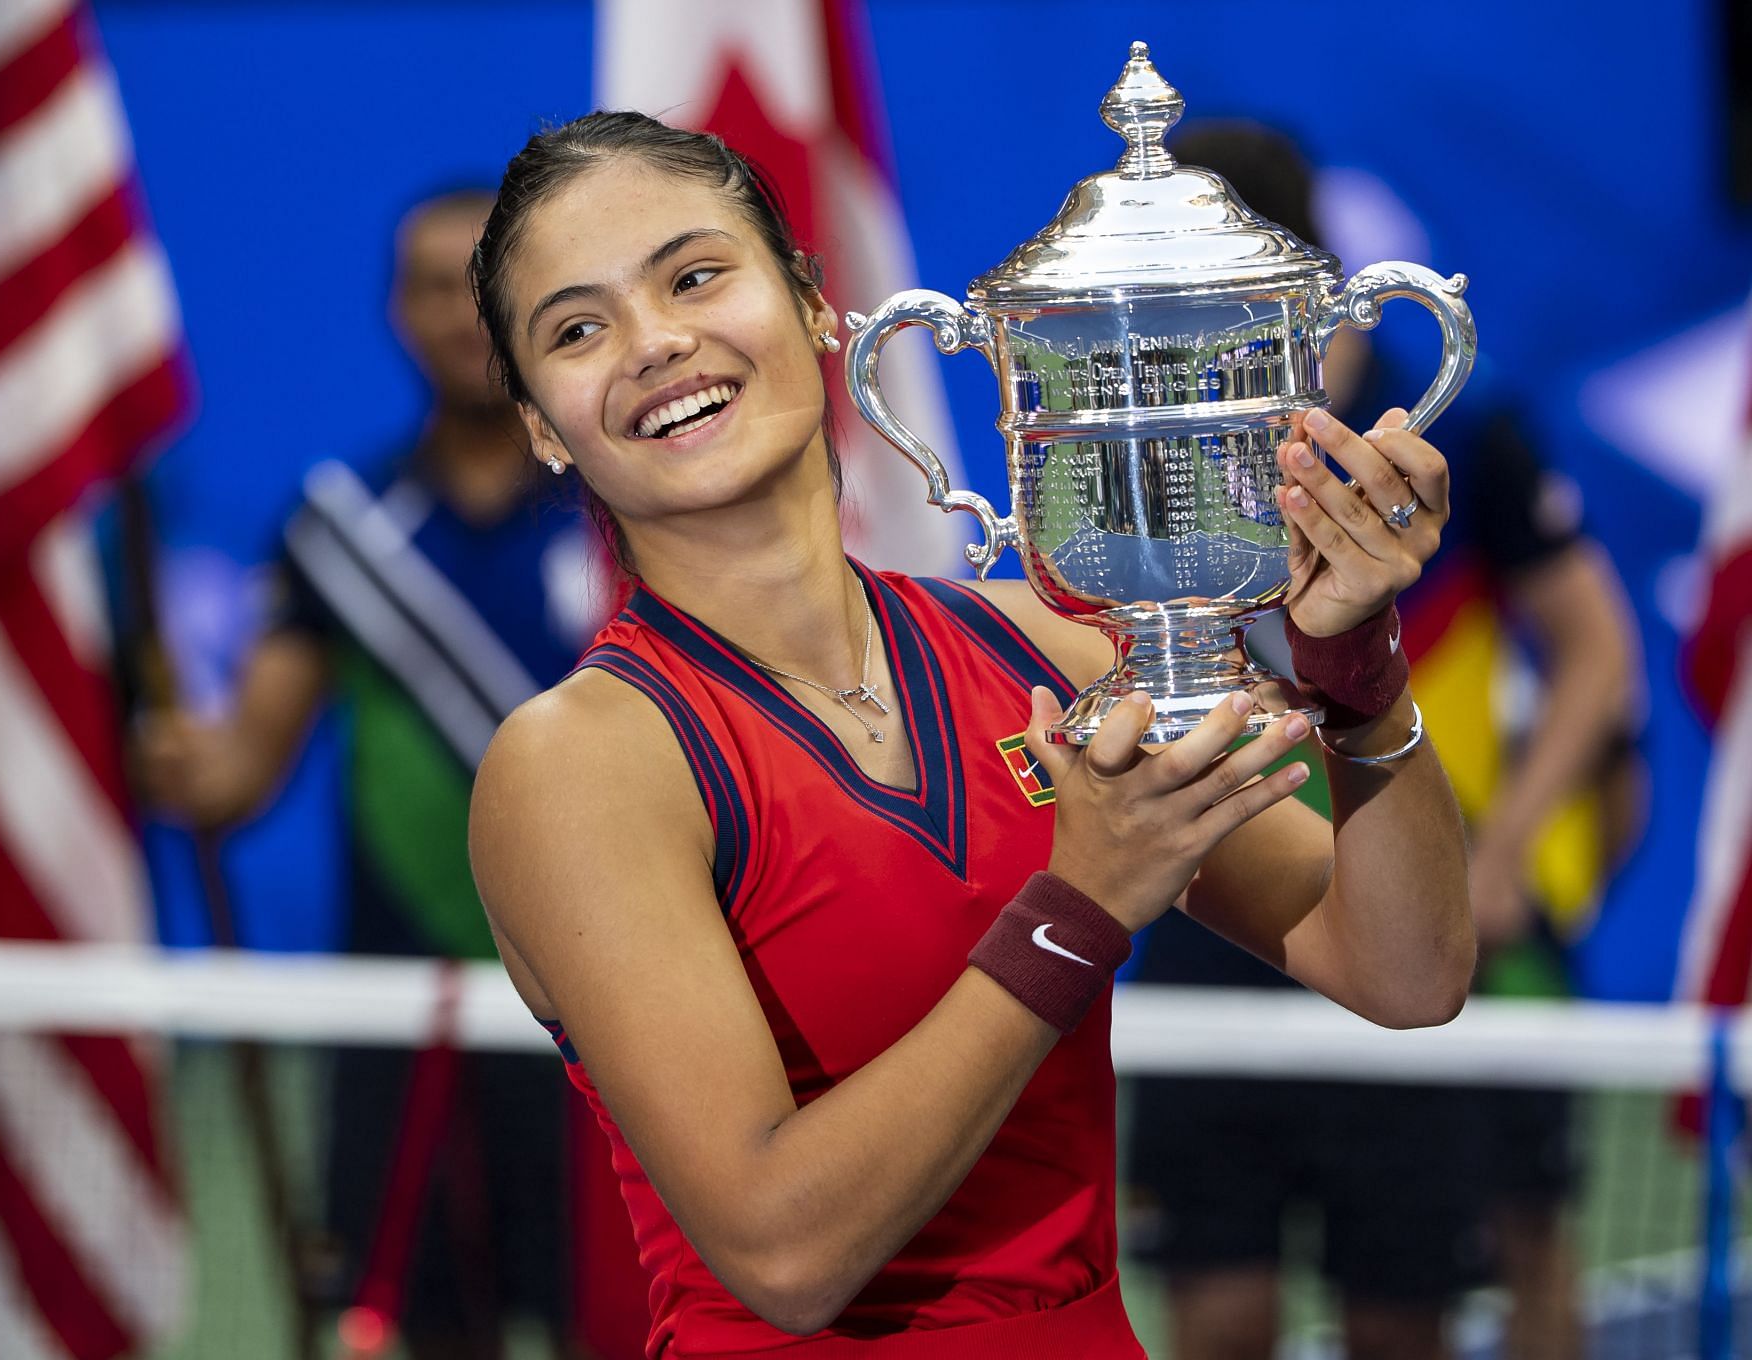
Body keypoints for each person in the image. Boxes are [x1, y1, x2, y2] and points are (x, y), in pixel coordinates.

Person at [463, 110, 1475, 1357]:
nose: (657, 341)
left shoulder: (1044, 644)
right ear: (542, 428)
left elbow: (1406, 972)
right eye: (578, 328)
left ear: (816, 303)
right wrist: (1080, 903)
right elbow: (785, 1251)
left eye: (695, 275)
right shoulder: (577, 761)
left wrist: (1356, 667)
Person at [1124, 123, 1643, 1360]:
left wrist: (1508, 848)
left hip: (1420, 894)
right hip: (1225, 909)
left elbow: (1602, 654)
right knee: (1219, 1307)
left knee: (1416, 1304)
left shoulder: (1453, 425)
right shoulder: (1149, 444)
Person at [137, 188, 598, 1359]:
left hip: (618, 1012)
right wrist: (188, 764)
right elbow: (240, 774)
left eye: (482, 284)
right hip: (408, 1025)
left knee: (628, 1321)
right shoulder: (342, 530)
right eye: (432, 285)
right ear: (396, 311)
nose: (460, 314)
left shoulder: (629, 512)